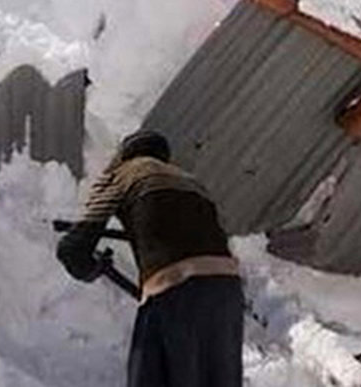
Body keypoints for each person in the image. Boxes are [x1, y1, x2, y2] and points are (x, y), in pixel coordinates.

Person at [56, 130, 244, 387]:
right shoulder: (194, 184)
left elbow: (73, 250)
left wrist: (92, 268)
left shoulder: (124, 174)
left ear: (124, 155)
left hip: (175, 288)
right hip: (228, 294)